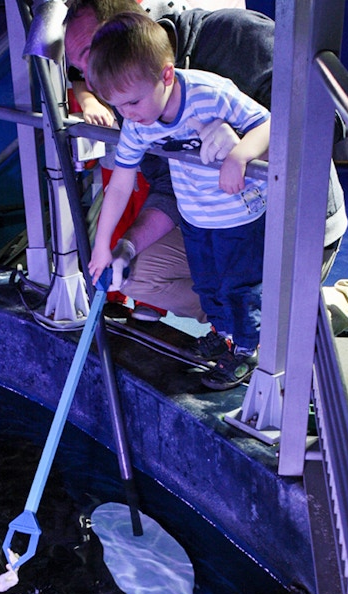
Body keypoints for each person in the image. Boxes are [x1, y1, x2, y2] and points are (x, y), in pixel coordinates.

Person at [63, 0, 348, 341]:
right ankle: (236, 327)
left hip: (286, 216)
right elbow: (165, 187)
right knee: (140, 276)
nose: (94, 84)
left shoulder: (234, 36)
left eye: (91, 52)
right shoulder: (132, 97)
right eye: (80, 69)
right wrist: (125, 246)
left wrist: (248, 146)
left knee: (265, 327)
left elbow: (330, 117)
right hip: (212, 222)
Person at [85, 12, 270, 389]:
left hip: (240, 215)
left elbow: (269, 123)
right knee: (207, 284)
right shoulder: (138, 121)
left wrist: (241, 154)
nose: (128, 115)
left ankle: (249, 348)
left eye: (133, 102)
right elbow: (119, 185)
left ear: (166, 76)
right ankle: (223, 333)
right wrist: (105, 246)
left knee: (240, 286)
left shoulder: (209, 94)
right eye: (118, 106)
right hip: (195, 216)